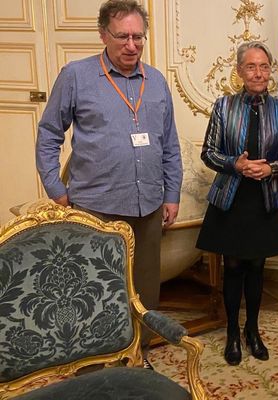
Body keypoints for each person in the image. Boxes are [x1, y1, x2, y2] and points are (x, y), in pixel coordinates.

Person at [35, 0, 182, 369]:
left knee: (145, 291)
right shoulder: (76, 76)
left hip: (147, 206)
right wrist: (56, 189)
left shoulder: (157, 81)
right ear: (103, 35)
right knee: (95, 289)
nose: (131, 45)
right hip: (95, 208)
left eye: (138, 37)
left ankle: (138, 357)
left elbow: (170, 143)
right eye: (123, 37)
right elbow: (49, 133)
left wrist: (172, 194)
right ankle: (97, 364)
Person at [196, 41, 278, 366]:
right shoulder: (223, 106)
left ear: (270, 71)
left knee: (256, 267)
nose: (258, 73)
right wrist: (235, 165)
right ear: (239, 71)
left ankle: (252, 331)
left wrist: (270, 168)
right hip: (231, 198)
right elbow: (208, 152)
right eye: (251, 66)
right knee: (234, 267)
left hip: (265, 198)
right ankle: (231, 333)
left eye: (264, 66)